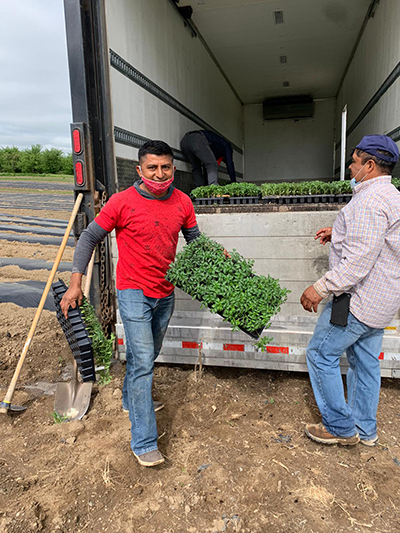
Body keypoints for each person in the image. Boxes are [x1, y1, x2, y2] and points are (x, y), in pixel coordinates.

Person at [60, 140, 201, 467]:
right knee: (142, 364)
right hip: (133, 290)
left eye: (165, 167)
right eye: (152, 167)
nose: (159, 173)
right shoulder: (122, 202)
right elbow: (89, 238)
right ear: (139, 170)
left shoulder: (182, 201)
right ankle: (144, 441)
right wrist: (76, 282)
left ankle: (128, 398)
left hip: (165, 293)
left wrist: (212, 255)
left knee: (148, 354)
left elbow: (195, 241)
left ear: (173, 169)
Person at [300, 134, 400, 447]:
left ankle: (340, 428)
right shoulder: (391, 196)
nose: (350, 165)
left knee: (320, 354)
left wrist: (319, 288)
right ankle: (365, 430)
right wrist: (339, 233)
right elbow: (377, 241)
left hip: (357, 301)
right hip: (382, 302)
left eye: (355, 160)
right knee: (365, 363)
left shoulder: (369, 203)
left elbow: (357, 264)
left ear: (370, 165)